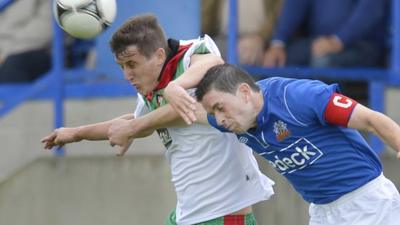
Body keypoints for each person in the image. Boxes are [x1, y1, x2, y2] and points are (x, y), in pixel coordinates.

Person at [41, 15, 275, 225]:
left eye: (132, 64)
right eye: (121, 66)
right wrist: (75, 133)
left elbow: (195, 93)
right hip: (188, 215)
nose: (127, 75)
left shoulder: (192, 57)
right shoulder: (151, 92)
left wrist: (172, 90)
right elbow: (136, 123)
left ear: (159, 55)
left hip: (225, 214)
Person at [167, 63, 400, 225]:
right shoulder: (231, 120)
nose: (218, 119)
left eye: (219, 107)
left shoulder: (298, 98)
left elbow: (371, 119)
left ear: (245, 92)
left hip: (367, 203)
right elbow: (187, 111)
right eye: (212, 112)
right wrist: (138, 124)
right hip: (322, 211)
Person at [202, 0, 282, 65]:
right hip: (221, 38)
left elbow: (280, 14)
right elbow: (204, 18)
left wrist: (260, 37)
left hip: (262, 40)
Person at [0, 0, 52, 83]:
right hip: (7, 50)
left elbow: (46, 29)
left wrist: (4, 53)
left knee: (14, 64)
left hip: (40, 51)